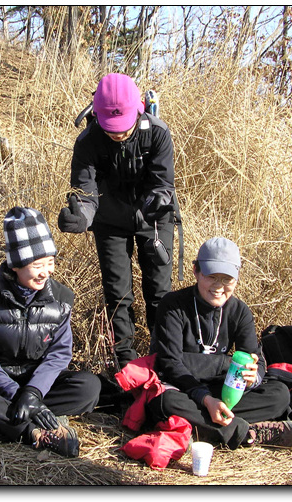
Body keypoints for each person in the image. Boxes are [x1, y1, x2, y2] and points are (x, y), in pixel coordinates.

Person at [0, 207, 101, 458]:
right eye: (37, 264)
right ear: (15, 265)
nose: (46, 272)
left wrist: (33, 392)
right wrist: (19, 394)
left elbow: (59, 355)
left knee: (89, 387)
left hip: (39, 384)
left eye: (50, 262)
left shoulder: (61, 299)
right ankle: (33, 431)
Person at [58, 72, 178, 369]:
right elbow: (85, 193)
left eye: (123, 129)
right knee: (117, 293)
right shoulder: (87, 142)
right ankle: (126, 362)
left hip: (153, 219)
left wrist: (157, 202)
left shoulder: (158, 133)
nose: (118, 135)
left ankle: (165, 359)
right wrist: (80, 217)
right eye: (111, 129)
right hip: (109, 221)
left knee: (159, 292)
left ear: (138, 112)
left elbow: (164, 183)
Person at [147, 237, 292, 449]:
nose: (219, 287)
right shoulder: (173, 306)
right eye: (212, 277)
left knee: (279, 395)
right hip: (182, 388)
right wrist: (208, 393)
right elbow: (171, 364)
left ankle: (202, 426)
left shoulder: (239, 312)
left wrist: (253, 376)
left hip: (221, 390)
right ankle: (247, 433)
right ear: (196, 271)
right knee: (164, 403)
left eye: (227, 279)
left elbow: (255, 360)